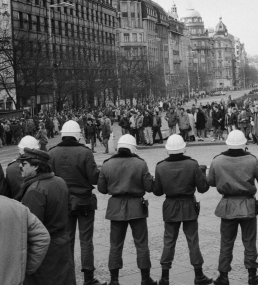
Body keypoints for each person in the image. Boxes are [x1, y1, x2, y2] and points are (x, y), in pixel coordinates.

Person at [208, 129, 258, 285]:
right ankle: (252, 275)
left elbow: (211, 181)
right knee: (249, 241)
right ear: (244, 144)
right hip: (247, 204)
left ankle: (223, 276)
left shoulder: (217, 160)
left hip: (228, 205)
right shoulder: (251, 160)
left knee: (226, 242)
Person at [49, 120, 106, 285]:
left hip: (62, 202)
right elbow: (93, 178)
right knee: (86, 241)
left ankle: (69, 278)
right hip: (84, 201)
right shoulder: (85, 152)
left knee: (67, 241)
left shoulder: (52, 153)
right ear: (77, 135)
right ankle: (88, 278)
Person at [153, 134, 212, 285]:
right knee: (193, 241)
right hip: (188, 205)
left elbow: (157, 191)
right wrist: (202, 172)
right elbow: (203, 188)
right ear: (183, 148)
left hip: (170, 205)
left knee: (169, 241)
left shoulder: (160, 166)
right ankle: (199, 275)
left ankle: (164, 277)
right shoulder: (192, 164)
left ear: (167, 149)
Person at [98, 134, 156, 285]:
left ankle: (114, 280)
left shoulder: (107, 164)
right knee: (141, 244)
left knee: (115, 245)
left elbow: (102, 189)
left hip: (116, 206)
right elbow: (149, 187)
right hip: (136, 205)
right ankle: (145, 279)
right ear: (133, 148)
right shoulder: (140, 164)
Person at [19, 148, 76, 285]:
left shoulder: (35, 190)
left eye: (24, 163)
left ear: (36, 166)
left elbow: (32, 227)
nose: (20, 166)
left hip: (46, 248)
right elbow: (68, 208)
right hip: (62, 242)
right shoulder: (59, 181)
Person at [7, 135, 41, 201]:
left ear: (19, 150)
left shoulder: (10, 169)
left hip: (18, 203)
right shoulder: (43, 165)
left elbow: (7, 193)